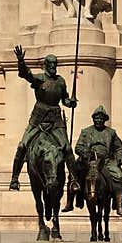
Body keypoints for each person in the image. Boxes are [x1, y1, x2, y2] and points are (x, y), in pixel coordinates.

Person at [9, 46, 77, 189]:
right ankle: (14, 179)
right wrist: (21, 61)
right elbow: (26, 75)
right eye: (50, 64)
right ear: (45, 65)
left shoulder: (61, 81)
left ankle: (74, 179)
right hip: (38, 119)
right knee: (22, 145)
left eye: (55, 64)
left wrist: (70, 103)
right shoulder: (40, 78)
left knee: (67, 148)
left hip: (56, 120)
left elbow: (64, 99)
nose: (53, 67)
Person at [74, 106, 122, 215]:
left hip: (106, 161)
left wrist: (119, 158)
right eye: (96, 118)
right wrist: (85, 153)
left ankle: (120, 205)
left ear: (105, 120)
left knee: (120, 177)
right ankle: (72, 201)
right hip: (89, 160)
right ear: (93, 119)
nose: (99, 120)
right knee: (74, 174)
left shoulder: (111, 132)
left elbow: (119, 147)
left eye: (101, 118)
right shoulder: (86, 132)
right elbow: (78, 147)